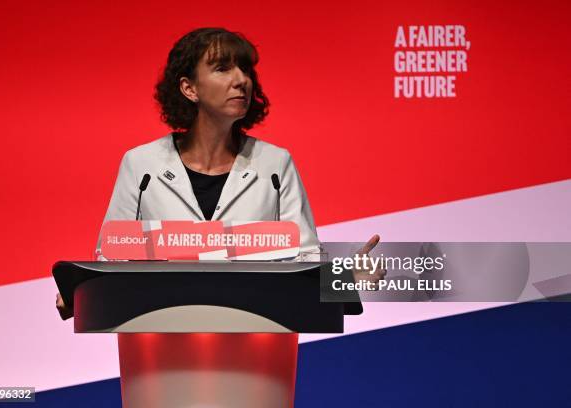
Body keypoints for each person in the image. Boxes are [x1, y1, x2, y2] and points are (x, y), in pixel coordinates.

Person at [56, 27, 384, 319]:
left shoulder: (275, 164)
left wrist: (346, 278)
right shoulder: (141, 165)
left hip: (257, 347)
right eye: (223, 68)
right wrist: (81, 297)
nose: (241, 79)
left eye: (245, 69)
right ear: (189, 88)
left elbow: (304, 266)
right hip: (160, 347)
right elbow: (110, 261)